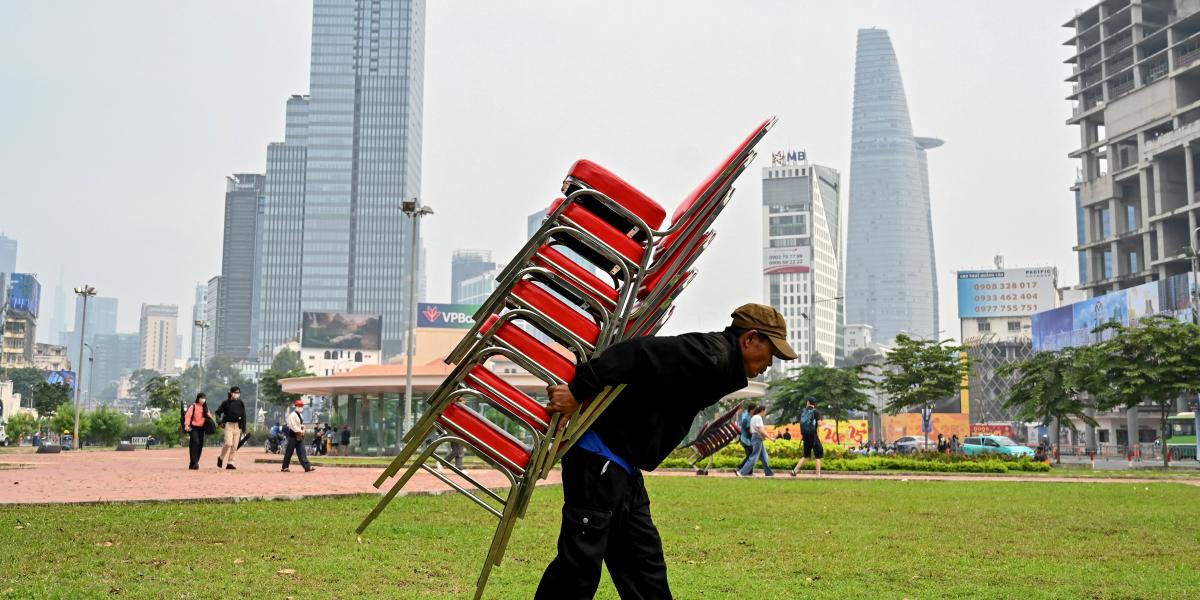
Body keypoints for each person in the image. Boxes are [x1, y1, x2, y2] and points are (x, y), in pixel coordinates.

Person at [535, 303, 796, 599]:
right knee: (577, 571)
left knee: (645, 571)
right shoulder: (708, 355)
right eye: (771, 352)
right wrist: (578, 390)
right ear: (750, 338)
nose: (770, 363)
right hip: (599, 460)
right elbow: (638, 353)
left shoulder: (721, 362)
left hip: (623, 467)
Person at [214, 386, 247, 470]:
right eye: (235, 392)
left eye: (238, 393)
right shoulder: (226, 403)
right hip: (229, 425)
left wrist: (244, 428)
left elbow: (243, 415)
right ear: (231, 393)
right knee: (228, 443)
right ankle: (221, 458)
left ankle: (230, 463)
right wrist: (219, 422)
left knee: (235, 446)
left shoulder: (240, 403)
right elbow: (217, 412)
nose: (237, 394)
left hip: (237, 426)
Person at [736, 406, 775, 477]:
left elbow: (751, 430)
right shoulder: (758, 417)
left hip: (756, 437)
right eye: (765, 411)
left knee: (764, 456)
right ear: (762, 411)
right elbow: (761, 430)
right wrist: (770, 438)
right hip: (757, 438)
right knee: (754, 457)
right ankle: (741, 472)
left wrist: (761, 435)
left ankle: (768, 473)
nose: (766, 413)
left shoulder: (753, 417)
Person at [791, 397, 823, 477]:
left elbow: (798, 421)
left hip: (805, 436)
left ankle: (794, 471)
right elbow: (819, 424)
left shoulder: (803, 411)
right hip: (813, 436)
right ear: (814, 404)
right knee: (818, 455)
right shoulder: (816, 412)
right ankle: (818, 475)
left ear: (808, 402)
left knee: (806, 455)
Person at [282, 399, 316, 473]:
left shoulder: (300, 415)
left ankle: (307, 467)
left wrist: (303, 429)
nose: (300, 407)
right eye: (299, 406)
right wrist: (300, 431)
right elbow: (292, 426)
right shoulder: (292, 415)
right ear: (296, 406)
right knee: (289, 452)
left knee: (302, 452)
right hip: (293, 436)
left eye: (301, 406)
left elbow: (300, 425)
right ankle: (285, 467)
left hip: (299, 436)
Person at [183, 393, 215, 470]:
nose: (203, 399)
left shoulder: (205, 407)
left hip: (201, 428)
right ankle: (195, 463)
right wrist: (186, 425)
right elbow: (188, 416)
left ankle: (194, 462)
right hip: (193, 428)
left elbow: (210, 417)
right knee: (195, 442)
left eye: (204, 398)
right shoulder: (193, 406)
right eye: (202, 398)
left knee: (200, 445)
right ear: (198, 398)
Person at [737, 403, 756, 469]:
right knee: (750, 455)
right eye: (755, 410)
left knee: (750, 455)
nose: (756, 411)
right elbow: (749, 430)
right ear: (751, 410)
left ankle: (748, 470)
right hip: (745, 440)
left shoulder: (748, 417)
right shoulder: (748, 418)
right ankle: (740, 467)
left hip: (745, 439)